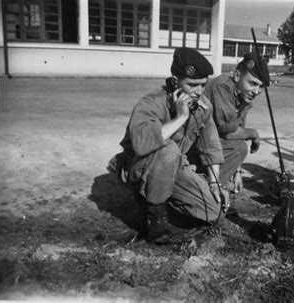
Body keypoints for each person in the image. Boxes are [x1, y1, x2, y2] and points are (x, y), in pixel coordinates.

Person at [109, 47, 229, 244]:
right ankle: (155, 221)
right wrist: (181, 117)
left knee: (212, 212)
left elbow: (211, 145)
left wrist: (215, 184)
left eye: (203, 85)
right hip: (138, 165)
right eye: (192, 85)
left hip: (172, 167)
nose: (199, 92)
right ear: (175, 81)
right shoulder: (152, 102)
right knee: (169, 150)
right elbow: (141, 144)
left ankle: (161, 199)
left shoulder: (202, 106)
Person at [200, 52, 270, 195]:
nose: (256, 91)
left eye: (261, 86)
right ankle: (208, 193)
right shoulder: (222, 87)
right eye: (252, 84)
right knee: (241, 147)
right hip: (194, 143)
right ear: (237, 76)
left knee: (240, 147)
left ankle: (213, 186)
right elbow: (229, 133)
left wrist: (237, 171)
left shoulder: (243, 95)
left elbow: (239, 131)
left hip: (210, 144)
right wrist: (254, 134)